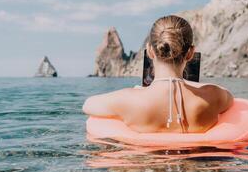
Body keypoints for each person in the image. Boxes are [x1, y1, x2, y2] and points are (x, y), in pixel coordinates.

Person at [83, 15, 233, 133]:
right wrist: (191, 85)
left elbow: (87, 105)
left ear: (150, 51)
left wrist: (139, 91)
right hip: (196, 168)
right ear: (190, 53)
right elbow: (230, 98)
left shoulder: (129, 100)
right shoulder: (213, 96)